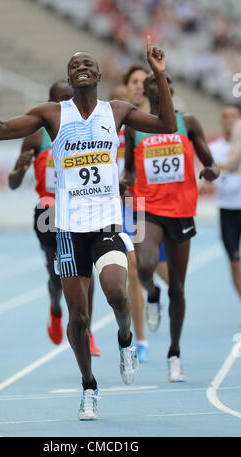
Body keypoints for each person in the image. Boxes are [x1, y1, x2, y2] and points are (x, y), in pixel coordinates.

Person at [0, 36, 177, 420]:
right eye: (75, 64)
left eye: (88, 64)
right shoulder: (52, 115)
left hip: (107, 223)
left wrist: (159, 75)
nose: (81, 67)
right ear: (69, 75)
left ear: (97, 74)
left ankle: (125, 339)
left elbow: (167, 124)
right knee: (78, 316)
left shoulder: (117, 111)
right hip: (68, 229)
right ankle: (89, 387)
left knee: (116, 293)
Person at [121, 72, 219, 382]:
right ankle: (152, 295)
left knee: (178, 287)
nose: (154, 87)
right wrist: (125, 183)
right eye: (148, 84)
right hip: (146, 209)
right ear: (146, 93)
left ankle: (174, 354)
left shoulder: (187, 122)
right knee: (144, 266)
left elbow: (208, 159)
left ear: (168, 89)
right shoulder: (135, 127)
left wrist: (212, 171)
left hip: (181, 210)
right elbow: (129, 172)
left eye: (160, 82)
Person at [8, 80, 101, 356]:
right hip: (48, 212)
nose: (68, 102)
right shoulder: (36, 137)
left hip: (80, 208)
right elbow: (13, 183)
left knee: (87, 272)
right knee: (56, 273)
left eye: (70, 97)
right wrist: (21, 170)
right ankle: (56, 308)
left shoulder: (86, 129)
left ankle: (88, 330)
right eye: (61, 99)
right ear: (50, 103)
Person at [119, 65, 169, 364]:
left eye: (143, 82)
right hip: (128, 205)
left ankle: (155, 294)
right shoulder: (112, 117)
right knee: (133, 268)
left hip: (158, 207)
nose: (139, 86)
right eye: (133, 81)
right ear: (125, 87)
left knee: (165, 273)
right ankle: (140, 338)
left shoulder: (156, 122)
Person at [203, 105, 241, 301]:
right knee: (234, 261)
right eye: (226, 117)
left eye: (234, 116)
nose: (230, 120)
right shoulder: (215, 149)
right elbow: (207, 178)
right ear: (221, 121)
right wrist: (206, 184)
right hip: (227, 211)